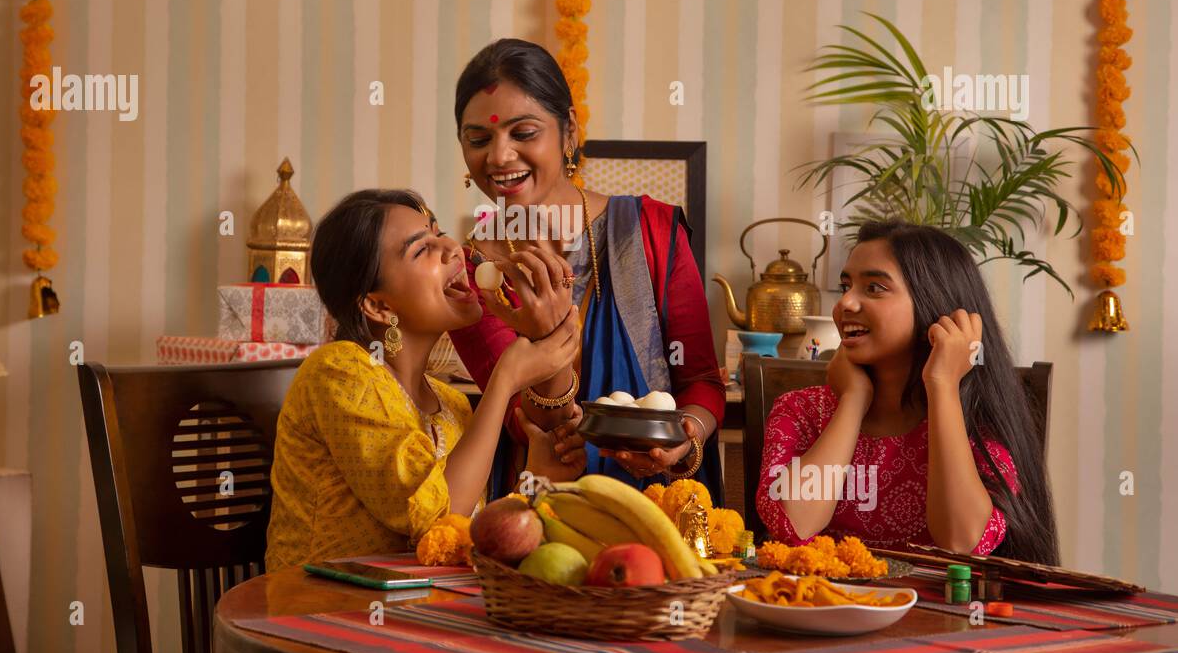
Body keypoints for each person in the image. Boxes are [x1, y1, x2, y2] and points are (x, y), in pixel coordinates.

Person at [447, 38, 726, 501]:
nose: (498, 156)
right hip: (538, 514)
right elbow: (524, 424)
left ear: (569, 130)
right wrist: (548, 337)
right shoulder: (473, 273)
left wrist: (684, 438)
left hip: (661, 508)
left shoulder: (652, 231)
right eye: (479, 139)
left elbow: (699, 380)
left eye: (523, 133)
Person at [265, 189, 583, 569]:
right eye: (421, 249)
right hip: (317, 615)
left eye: (439, 232)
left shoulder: (450, 404)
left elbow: (460, 539)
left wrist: (538, 475)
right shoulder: (339, 372)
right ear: (378, 305)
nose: (451, 248)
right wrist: (505, 380)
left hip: (417, 614)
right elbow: (436, 521)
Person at [755, 220, 1059, 563]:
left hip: (944, 615)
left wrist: (942, 385)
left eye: (873, 288)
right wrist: (853, 401)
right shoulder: (801, 411)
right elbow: (793, 526)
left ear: (935, 302)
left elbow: (961, 543)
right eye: (846, 286)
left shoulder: (979, 418)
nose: (845, 305)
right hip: (823, 609)